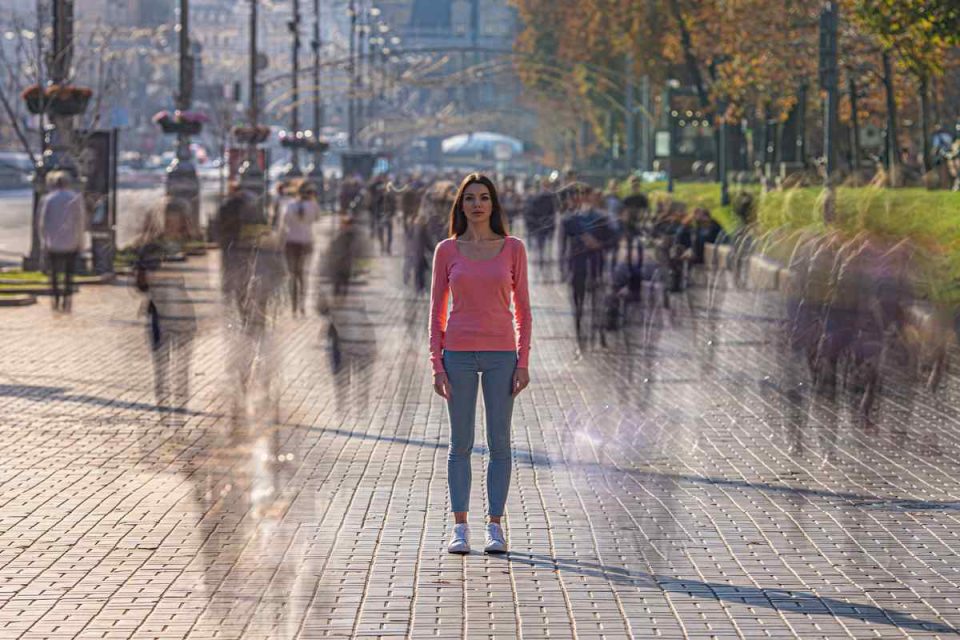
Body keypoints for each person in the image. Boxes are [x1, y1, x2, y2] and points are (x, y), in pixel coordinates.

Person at [429, 173, 532, 555]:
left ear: (493, 204)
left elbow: (523, 309)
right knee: (460, 444)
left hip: (502, 356)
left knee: (499, 443)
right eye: (470, 198)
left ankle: (495, 526)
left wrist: (523, 360)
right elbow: (436, 312)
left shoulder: (512, 248)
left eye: (484, 198)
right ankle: (460, 527)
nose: (477, 204)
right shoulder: (447, 250)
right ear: (461, 205)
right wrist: (436, 365)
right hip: (457, 354)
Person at [39, 171, 86, 312]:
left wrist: (44, 241)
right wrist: (80, 242)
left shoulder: (49, 199)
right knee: (68, 274)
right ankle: (67, 299)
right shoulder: (75, 198)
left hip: (53, 243)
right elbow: (80, 222)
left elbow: (43, 223)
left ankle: (55, 299)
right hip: (71, 242)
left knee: (53, 273)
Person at [279, 181, 321, 315]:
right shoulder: (313, 206)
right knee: (303, 274)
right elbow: (317, 219)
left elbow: (284, 223)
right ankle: (302, 304)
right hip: (306, 242)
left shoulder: (290, 205)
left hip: (291, 243)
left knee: (292, 275)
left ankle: (293, 305)